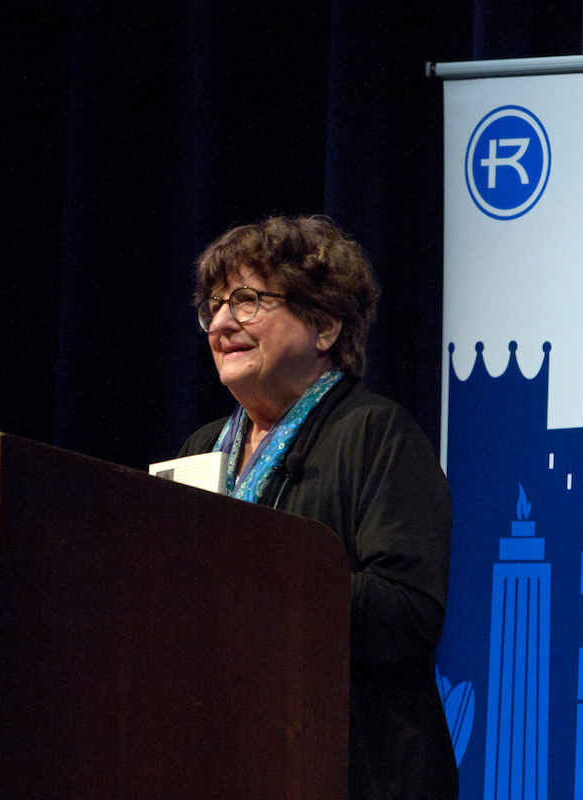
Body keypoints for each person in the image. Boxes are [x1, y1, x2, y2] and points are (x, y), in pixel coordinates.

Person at [179, 215, 458, 799]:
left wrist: (260, 569)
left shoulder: (379, 436)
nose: (222, 323)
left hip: (353, 769)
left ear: (325, 325)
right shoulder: (203, 449)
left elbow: (407, 616)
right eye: (214, 305)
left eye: (248, 301)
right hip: (224, 758)